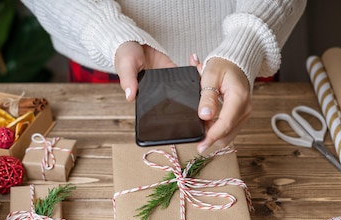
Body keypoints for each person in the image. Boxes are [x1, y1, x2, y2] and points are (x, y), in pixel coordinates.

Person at [20, 0, 307, 153]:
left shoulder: (244, 51)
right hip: (108, 59)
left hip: (236, 65)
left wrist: (249, 41)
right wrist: (107, 31)